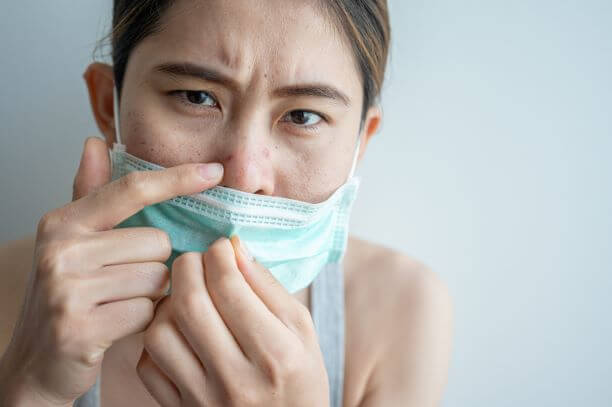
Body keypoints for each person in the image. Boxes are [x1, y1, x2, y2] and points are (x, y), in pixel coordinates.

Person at [0, 1, 454, 406]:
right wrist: (30, 388)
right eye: (196, 97)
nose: (244, 177)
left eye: (303, 116)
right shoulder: (10, 291)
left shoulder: (400, 312)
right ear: (107, 106)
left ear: (361, 141)